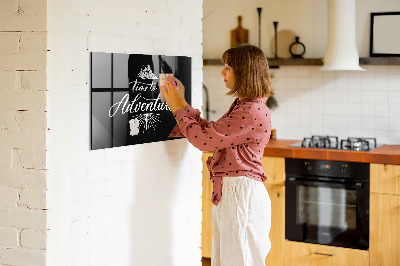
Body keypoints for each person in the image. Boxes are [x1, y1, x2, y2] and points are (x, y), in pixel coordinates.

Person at [161, 44, 273, 266]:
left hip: (241, 195)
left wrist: (176, 108)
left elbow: (204, 141)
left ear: (244, 72)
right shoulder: (246, 106)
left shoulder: (250, 111)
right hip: (236, 193)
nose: (222, 72)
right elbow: (212, 133)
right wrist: (182, 103)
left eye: (228, 67)